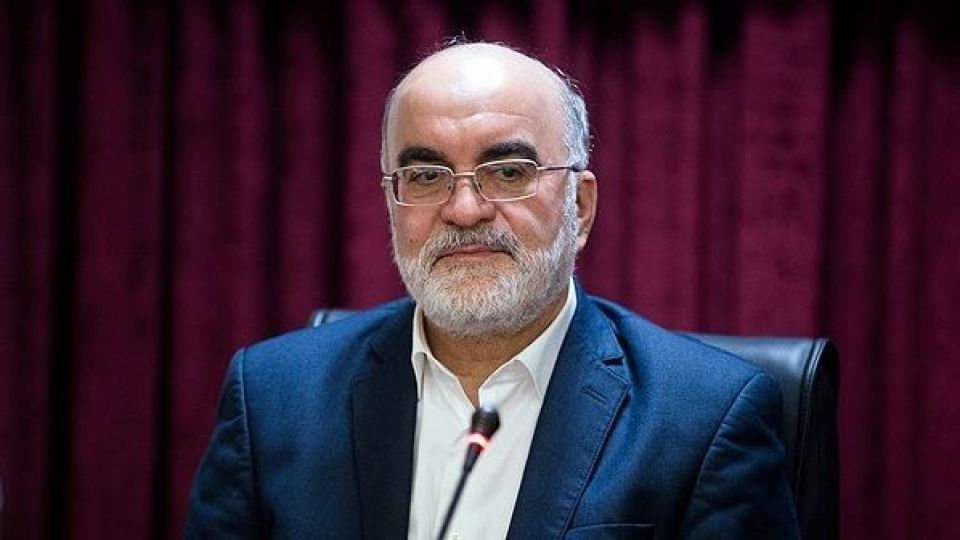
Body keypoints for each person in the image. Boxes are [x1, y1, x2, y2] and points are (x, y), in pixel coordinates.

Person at [185, 42, 799, 539]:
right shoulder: (272, 399)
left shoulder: (704, 419)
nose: (464, 209)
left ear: (580, 207)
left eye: (507, 172)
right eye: (426, 175)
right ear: (392, 202)